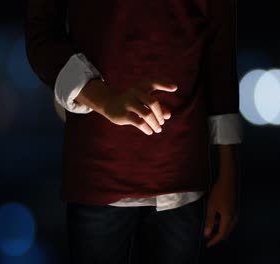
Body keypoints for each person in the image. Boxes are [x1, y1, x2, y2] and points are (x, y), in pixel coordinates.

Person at [25, 0, 242, 263]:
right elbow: (42, 36)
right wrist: (103, 98)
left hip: (181, 172)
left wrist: (228, 172)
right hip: (100, 168)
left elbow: (219, 55)